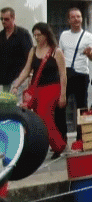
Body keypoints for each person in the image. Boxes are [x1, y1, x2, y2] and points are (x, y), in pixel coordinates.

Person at [11, 23, 67, 158]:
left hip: (52, 88)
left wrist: (63, 95)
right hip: (37, 89)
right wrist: (16, 85)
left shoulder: (56, 51)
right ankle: (42, 145)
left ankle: (58, 145)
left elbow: (63, 74)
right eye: (34, 35)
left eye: (39, 35)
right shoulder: (33, 50)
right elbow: (26, 70)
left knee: (44, 115)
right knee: (36, 118)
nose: (36, 38)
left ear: (46, 35)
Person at [58, 7, 92, 142]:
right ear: (68, 20)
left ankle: (81, 139)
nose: (76, 19)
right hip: (66, 74)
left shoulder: (88, 36)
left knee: (82, 108)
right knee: (61, 106)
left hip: (81, 75)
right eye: (73, 17)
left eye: (78, 17)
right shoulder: (64, 35)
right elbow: (60, 54)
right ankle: (62, 140)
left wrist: (90, 53)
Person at [1, 7, 33, 92]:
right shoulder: (1, 35)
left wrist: (29, 73)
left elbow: (30, 54)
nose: (3, 21)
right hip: (5, 78)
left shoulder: (23, 34)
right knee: (6, 103)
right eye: (1, 19)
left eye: (6, 19)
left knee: (17, 104)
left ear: (13, 18)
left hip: (19, 78)